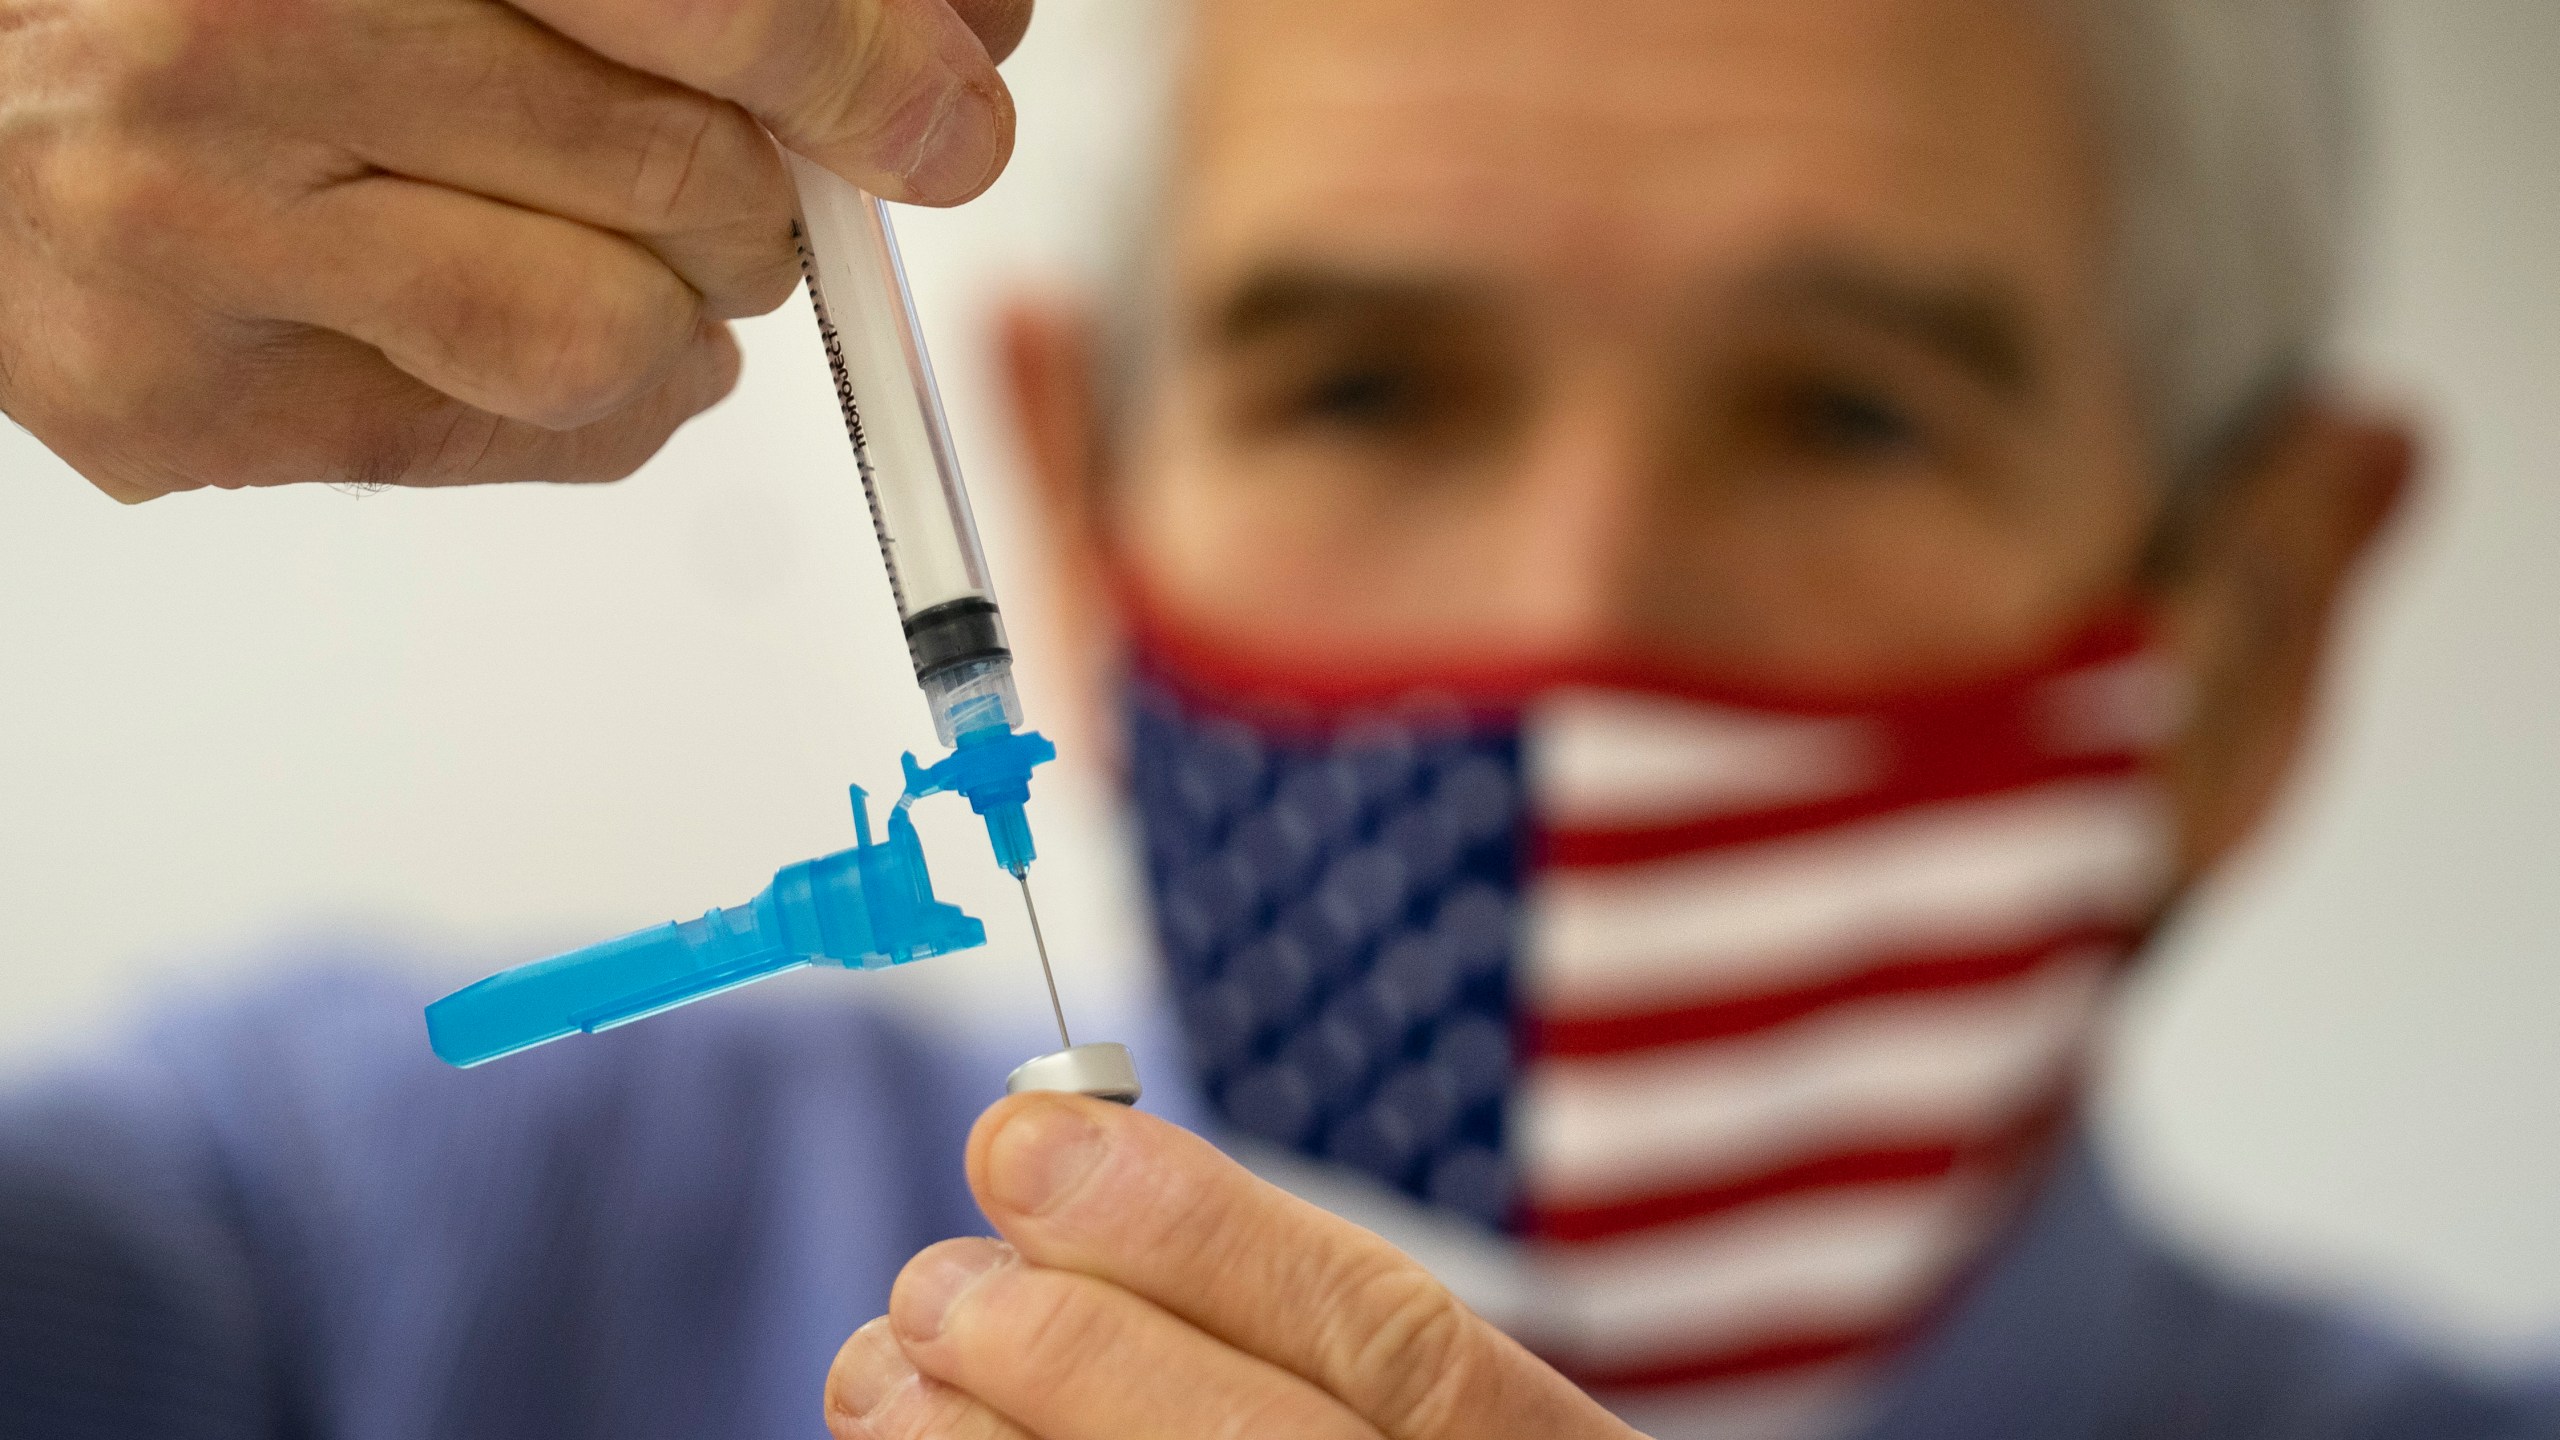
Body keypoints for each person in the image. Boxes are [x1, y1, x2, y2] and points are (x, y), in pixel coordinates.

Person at [2, 1, 2555, 1438]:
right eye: (1367, 390)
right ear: (1087, 531)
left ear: (2247, 624)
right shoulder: (355, 1269)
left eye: (1844, 415)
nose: (1572, 613)